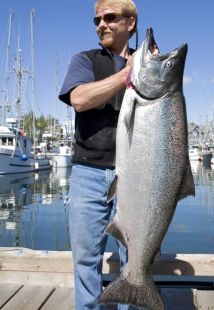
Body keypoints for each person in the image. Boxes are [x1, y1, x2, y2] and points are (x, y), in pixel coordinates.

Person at [59, 0, 138, 309]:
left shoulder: (147, 63)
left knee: (133, 259)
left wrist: (145, 69)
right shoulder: (85, 60)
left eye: (109, 17)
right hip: (88, 173)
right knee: (86, 261)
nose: (101, 24)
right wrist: (126, 76)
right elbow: (78, 99)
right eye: (97, 20)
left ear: (130, 23)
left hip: (135, 176)